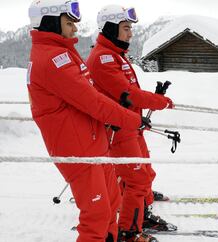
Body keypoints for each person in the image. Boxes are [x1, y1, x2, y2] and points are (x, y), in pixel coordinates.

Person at [27, 1, 147, 241]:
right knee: (96, 214)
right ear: (50, 21)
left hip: (92, 144)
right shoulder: (53, 59)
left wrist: (114, 118)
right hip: (77, 151)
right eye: (69, 23)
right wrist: (131, 120)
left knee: (112, 204)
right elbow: (92, 101)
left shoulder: (62, 52)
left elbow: (85, 98)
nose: (74, 30)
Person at [86, 5, 176, 242]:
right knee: (136, 179)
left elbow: (129, 94)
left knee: (144, 171)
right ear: (111, 29)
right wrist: (160, 102)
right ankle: (129, 231)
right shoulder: (103, 58)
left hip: (131, 126)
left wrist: (141, 115)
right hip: (118, 130)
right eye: (126, 28)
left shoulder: (116, 54)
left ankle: (140, 210)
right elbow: (127, 93)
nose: (130, 33)